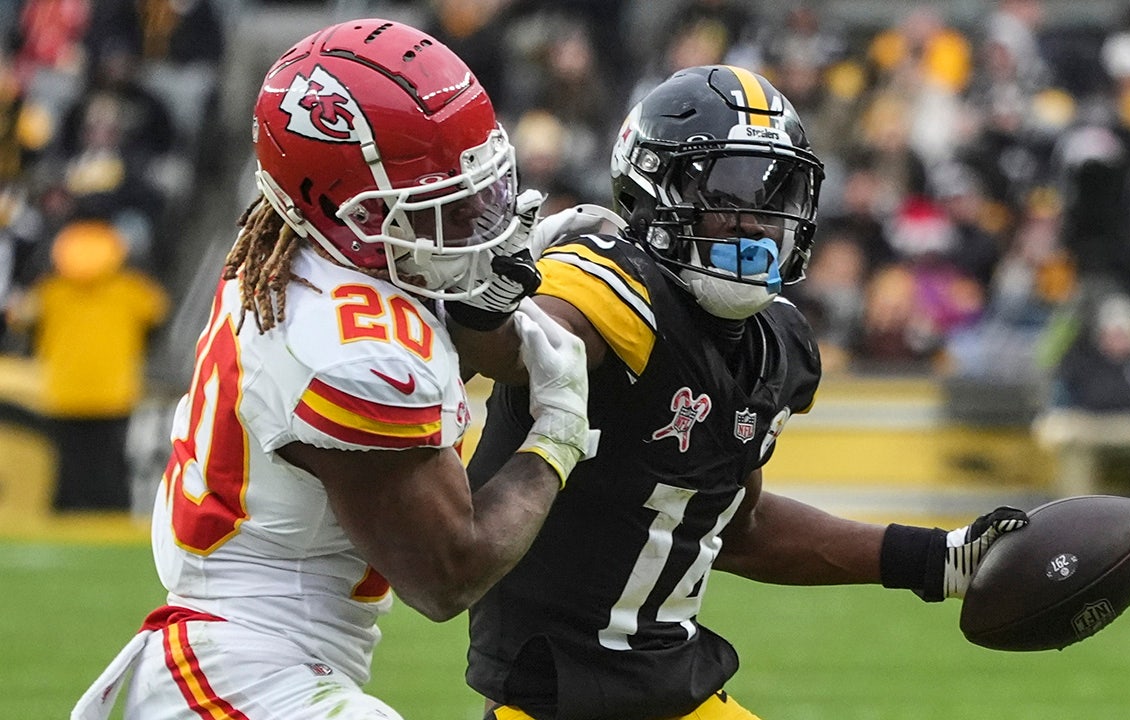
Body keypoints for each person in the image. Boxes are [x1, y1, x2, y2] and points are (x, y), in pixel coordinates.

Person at [452, 65, 1028, 720]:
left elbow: (739, 524)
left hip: (678, 693)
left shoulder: (772, 343)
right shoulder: (610, 288)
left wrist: (937, 559)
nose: (755, 224)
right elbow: (525, 353)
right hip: (555, 703)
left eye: (775, 194)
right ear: (651, 189)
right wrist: (490, 312)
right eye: (727, 194)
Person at [71, 19, 595, 720]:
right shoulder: (350, 349)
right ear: (343, 209)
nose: (479, 223)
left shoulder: (306, 252)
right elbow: (448, 572)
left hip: (249, 656)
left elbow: (445, 351)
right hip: (244, 666)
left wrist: (490, 294)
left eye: (480, 192)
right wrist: (557, 435)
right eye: (444, 207)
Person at [7, 217, 168, 510]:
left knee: (69, 470)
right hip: (112, 393)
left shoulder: (50, 292)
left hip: (65, 393)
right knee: (110, 469)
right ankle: (114, 519)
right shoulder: (132, 290)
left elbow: (21, 320)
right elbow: (157, 317)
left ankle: (68, 520)